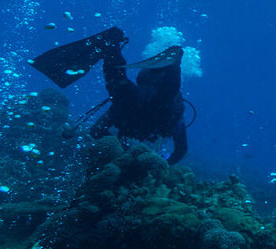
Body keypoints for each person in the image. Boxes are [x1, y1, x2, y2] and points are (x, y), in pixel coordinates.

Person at [30, 27, 189, 164]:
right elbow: (181, 150)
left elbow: (96, 131)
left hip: (136, 103)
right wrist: (163, 164)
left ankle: (112, 47)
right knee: (125, 86)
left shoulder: (160, 105)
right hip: (154, 106)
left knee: (120, 84)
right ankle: (113, 48)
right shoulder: (173, 110)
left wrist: (119, 153)